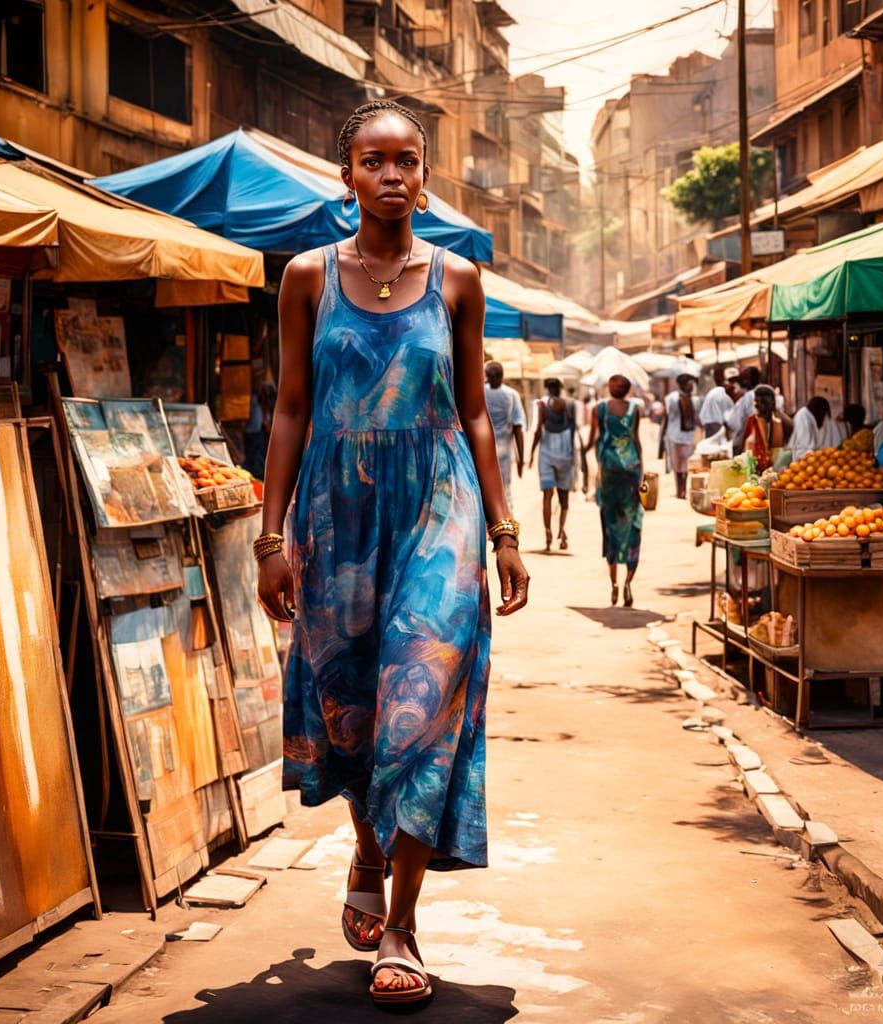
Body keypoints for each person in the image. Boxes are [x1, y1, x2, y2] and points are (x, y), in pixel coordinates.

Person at [255, 101, 529, 1007]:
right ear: (347, 176)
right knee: (349, 709)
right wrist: (269, 535)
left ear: (424, 172)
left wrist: (503, 530)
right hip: (336, 519)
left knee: (425, 703)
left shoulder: (458, 278)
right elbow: (290, 408)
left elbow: (478, 412)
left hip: (437, 510)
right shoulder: (305, 277)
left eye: (407, 160)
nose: (392, 176)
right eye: (374, 161)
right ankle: (367, 848)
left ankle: (403, 924)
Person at [587, 374, 643, 608]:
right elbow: (636, 441)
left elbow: (593, 440)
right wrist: (642, 473)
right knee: (633, 526)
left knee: (610, 528)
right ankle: (628, 582)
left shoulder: (599, 409)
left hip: (609, 475)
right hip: (631, 473)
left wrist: (585, 460)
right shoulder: (635, 410)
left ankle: (614, 585)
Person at [529, 377, 576, 551]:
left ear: (547, 389)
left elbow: (538, 431)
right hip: (565, 453)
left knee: (547, 497)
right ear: (561, 388)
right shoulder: (569, 405)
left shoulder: (541, 405)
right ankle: (561, 531)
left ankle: (547, 532)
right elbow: (573, 430)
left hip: (546, 453)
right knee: (564, 498)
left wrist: (532, 453)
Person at [483, 360, 525, 511]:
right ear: (502, 376)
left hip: (482, 451)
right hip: (504, 453)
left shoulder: (480, 393)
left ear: (486, 375)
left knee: (483, 490)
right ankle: (507, 526)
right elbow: (518, 428)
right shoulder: (512, 395)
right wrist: (521, 459)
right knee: (505, 490)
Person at [662, 373, 699, 499]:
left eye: (692, 384)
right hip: (674, 435)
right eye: (688, 384)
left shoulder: (695, 400)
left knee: (686, 464)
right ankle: (679, 489)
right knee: (677, 465)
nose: (690, 386)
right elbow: (666, 417)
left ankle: (683, 488)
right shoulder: (671, 399)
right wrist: (662, 436)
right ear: (681, 385)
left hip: (689, 436)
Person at [744, 385, 787, 471]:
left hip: (776, 469)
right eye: (756, 401)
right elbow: (746, 446)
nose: (757, 405)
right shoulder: (752, 420)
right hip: (754, 468)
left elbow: (781, 449)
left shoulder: (779, 422)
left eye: (762, 402)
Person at [699, 366, 740, 438]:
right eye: (730, 382)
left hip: (711, 426)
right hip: (716, 427)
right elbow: (729, 421)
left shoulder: (718, 392)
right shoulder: (722, 395)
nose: (733, 385)